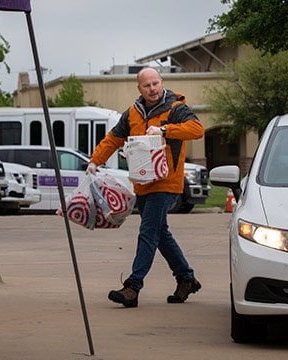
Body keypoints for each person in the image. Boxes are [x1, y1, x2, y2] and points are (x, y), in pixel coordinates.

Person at [87, 67, 204, 307]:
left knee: (148, 232)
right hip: (142, 183)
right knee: (160, 233)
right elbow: (113, 139)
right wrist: (95, 160)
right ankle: (186, 278)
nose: (152, 89)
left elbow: (197, 129)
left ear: (162, 83)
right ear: (139, 88)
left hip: (166, 182)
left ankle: (133, 286)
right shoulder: (133, 113)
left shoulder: (175, 108)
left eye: (155, 83)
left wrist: (164, 129)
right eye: (147, 85)